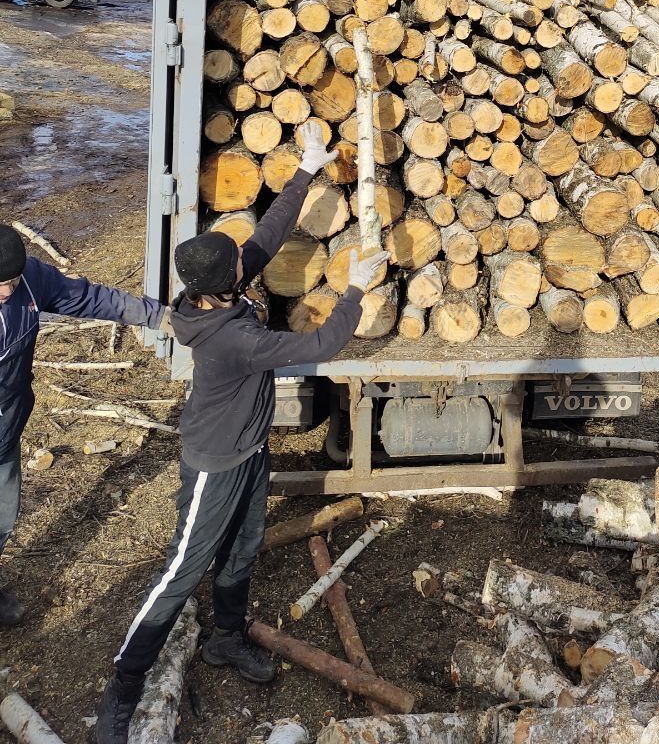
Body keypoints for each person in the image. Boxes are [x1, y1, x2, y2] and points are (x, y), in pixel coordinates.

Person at [95, 121, 389, 744]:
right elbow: (322, 341)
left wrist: (308, 165)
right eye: (238, 263)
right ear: (222, 284)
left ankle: (226, 639)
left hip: (250, 453)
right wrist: (357, 287)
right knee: (182, 568)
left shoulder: (216, 296)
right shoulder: (232, 336)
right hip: (213, 466)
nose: (244, 259)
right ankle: (122, 688)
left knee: (242, 548)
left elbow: (268, 234)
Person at [0, 226, 168, 625]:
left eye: (10, 282)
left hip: (5, 430)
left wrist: (157, 315)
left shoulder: (32, 281)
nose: (6, 293)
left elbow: (87, 297)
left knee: (2, 516)